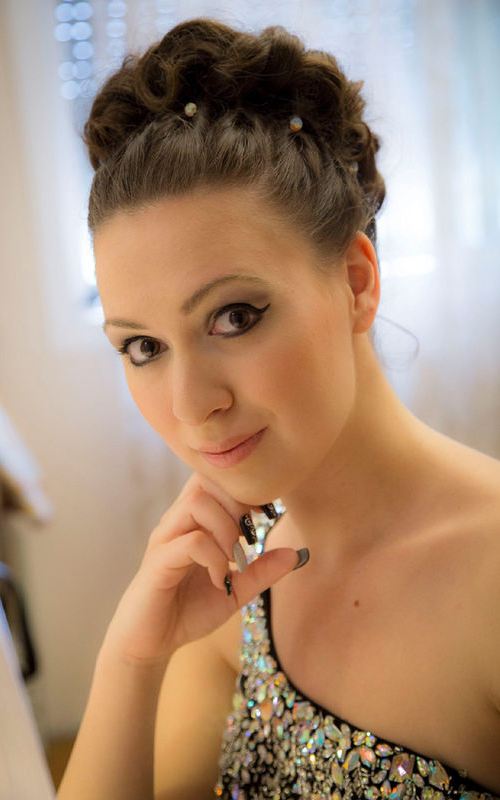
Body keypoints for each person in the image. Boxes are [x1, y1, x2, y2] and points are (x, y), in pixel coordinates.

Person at [55, 17, 500, 800]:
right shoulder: (233, 582)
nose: (191, 405)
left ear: (355, 282)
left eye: (233, 317)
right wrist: (131, 659)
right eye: (143, 346)